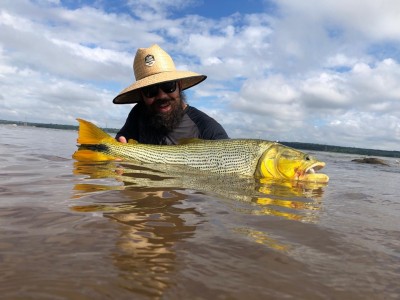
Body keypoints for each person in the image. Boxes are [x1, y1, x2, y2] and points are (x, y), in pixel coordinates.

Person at [113, 44, 229, 145]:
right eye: (150, 90)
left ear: (179, 85)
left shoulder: (208, 129)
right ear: (142, 95)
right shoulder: (139, 113)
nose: (161, 96)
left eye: (168, 86)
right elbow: (123, 138)